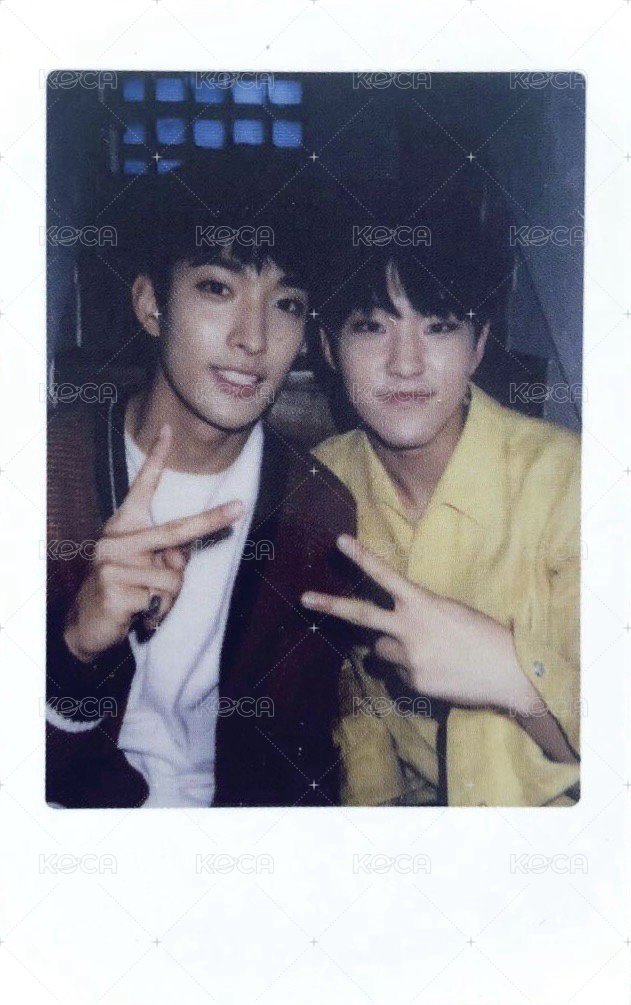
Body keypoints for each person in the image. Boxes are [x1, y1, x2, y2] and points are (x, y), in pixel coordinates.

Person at [47, 160, 356, 809]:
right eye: (218, 288)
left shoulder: (317, 510)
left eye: (287, 304)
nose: (253, 338)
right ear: (150, 304)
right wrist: (74, 649)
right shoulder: (45, 475)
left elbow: (295, 762)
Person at [303, 197, 580, 807]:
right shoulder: (319, 483)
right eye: (371, 326)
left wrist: (512, 678)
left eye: (439, 326)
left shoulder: (571, 483)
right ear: (328, 347)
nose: (405, 364)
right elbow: (353, 688)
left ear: (478, 346)